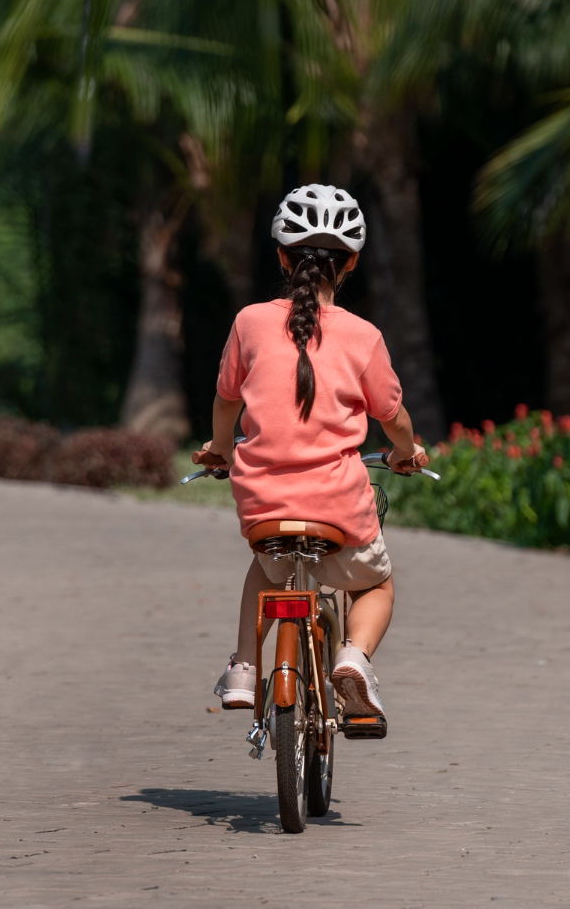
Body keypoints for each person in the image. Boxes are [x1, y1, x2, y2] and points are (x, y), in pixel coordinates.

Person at [197, 184, 427, 736]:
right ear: (350, 264)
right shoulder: (363, 335)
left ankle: (244, 670)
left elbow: (227, 401)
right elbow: (391, 415)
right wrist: (406, 451)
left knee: (266, 567)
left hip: (264, 506)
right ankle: (354, 659)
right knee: (376, 585)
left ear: (281, 256)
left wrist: (221, 449)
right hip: (339, 509)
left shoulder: (249, 322)